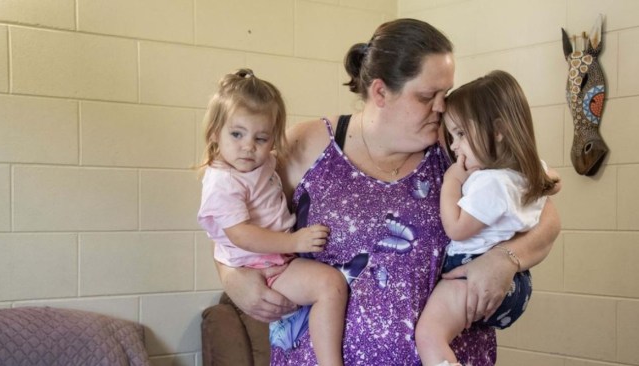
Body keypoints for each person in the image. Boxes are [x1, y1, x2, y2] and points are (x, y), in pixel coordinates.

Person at [216, 19, 561, 365]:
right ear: (380, 92)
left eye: (446, 93)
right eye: (427, 96)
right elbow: (227, 213)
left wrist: (505, 259)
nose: (442, 107)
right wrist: (232, 277)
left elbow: (546, 218)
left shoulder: (457, 147)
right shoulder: (307, 144)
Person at [197, 69, 347, 366]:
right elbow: (240, 234)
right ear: (215, 132)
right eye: (236, 134)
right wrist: (293, 240)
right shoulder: (223, 181)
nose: (248, 147)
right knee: (329, 285)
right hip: (261, 267)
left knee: (330, 285)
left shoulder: (261, 163)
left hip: (275, 261)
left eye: (261, 138)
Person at [415, 70, 562, 366]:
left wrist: (452, 182)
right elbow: (554, 181)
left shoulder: (489, 182)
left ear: (497, 131)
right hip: (515, 283)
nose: (454, 147)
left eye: (460, 134)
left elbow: (456, 228)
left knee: (430, 335)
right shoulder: (526, 173)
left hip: (471, 275)